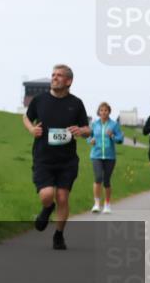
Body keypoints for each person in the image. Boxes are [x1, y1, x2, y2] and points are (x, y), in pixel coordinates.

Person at [23, 65, 90, 250]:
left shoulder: (76, 103)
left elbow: (87, 129)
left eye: (59, 75)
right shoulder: (40, 100)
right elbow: (26, 118)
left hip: (67, 160)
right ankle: (47, 208)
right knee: (47, 196)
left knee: (62, 197)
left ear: (69, 81)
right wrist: (31, 129)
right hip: (43, 158)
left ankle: (58, 235)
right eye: (53, 75)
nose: (54, 78)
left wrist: (81, 130)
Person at [86, 102, 124, 214]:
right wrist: (90, 141)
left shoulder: (114, 125)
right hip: (96, 155)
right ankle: (97, 204)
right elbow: (88, 137)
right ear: (98, 112)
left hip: (110, 157)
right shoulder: (94, 124)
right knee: (98, 178)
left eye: (106, 110)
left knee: (106, 181)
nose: (103, 112)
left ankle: (107, 204)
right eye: (101, 110)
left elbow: (120, 139)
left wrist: (112, 135)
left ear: (109, 112)